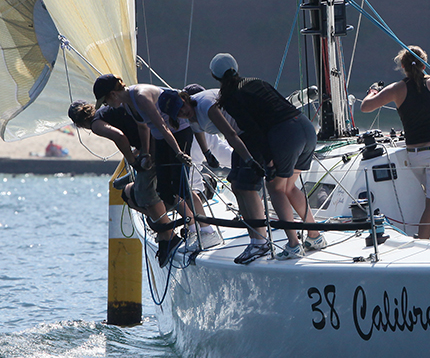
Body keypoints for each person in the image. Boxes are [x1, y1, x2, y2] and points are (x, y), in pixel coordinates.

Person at [208, 53, 324, 264]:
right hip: (306, 127)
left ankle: (293, 245)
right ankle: (315, 236)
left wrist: (268, 160)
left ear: (215, 77)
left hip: (286, 135)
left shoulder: (231, 97)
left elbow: (253, 131)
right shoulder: (256, 81)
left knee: (276, 189)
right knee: (289, 187)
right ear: (237, 67)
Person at [93, 74, 216, 252]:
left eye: (105, 101)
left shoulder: (140, 96)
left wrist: (179, 152)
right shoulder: (127, 103)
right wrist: (146, 153)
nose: (106, 106)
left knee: (180, 185)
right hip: (161, 139)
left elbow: (162, 126)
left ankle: (206, 230)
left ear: (113, 94)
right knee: (164, 190)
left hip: (178, 133)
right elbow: (144, 127)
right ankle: (192, 228)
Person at [67, 100, 182, 266]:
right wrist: (140, 150)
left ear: (78, 124)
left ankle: (168, 235)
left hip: (156, 144)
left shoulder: (96, 124)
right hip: (157, 140)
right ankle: (163, 225)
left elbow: (120, 137)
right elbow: (134, 126)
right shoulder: (107, 111)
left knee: (144, 191)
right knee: (129, 194)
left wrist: (133, 160)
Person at [360, 46, 430, 240]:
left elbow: (365, 107)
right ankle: (424, 241)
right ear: (424, 64)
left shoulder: (397, 88)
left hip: (415, 155)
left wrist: (373, 91)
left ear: (402, 66)